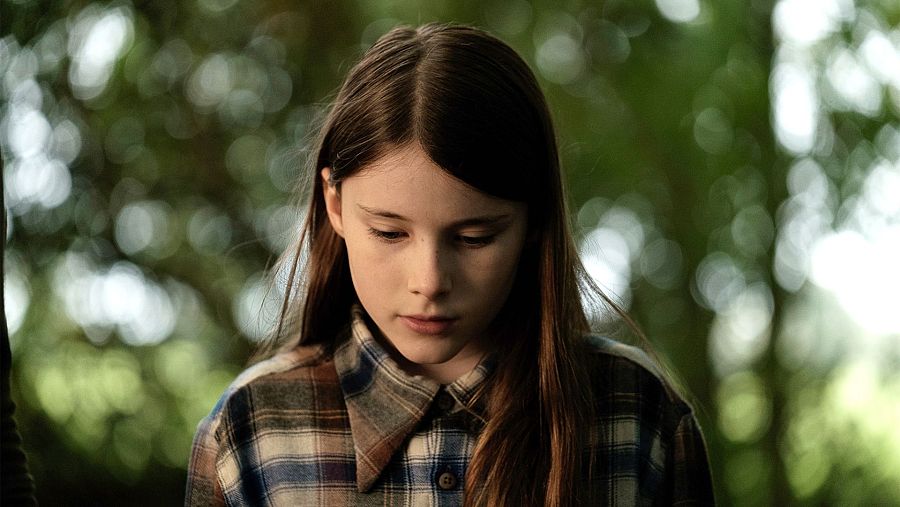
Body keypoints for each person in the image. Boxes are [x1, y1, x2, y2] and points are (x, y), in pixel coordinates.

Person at [185, 23, 714, 506]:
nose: (431, 281)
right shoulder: (250, 429)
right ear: (335, 206)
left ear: (534, 221)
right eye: (389, 233)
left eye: (475, 237)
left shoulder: (639, 413)